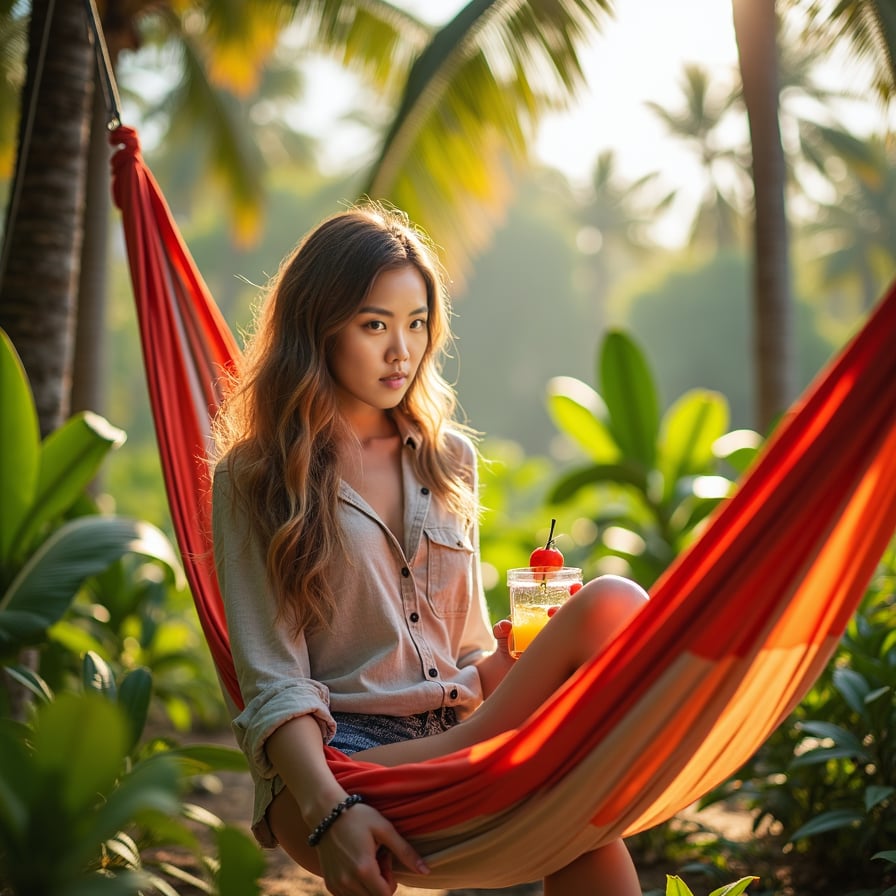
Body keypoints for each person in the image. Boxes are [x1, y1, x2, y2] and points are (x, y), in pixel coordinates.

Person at [210, 201, 649, 896]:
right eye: (374, 325)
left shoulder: (448, 460)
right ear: (318, 328)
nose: (401, 352)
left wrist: (504, 664)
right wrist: (332, 809)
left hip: (456, 736)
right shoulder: (258, 476)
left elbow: (467, 651)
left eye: (416, 324)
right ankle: (600, 766)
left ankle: (623, 760)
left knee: (587, 825)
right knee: (610, 611)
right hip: (342, 765)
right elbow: (275, 683)